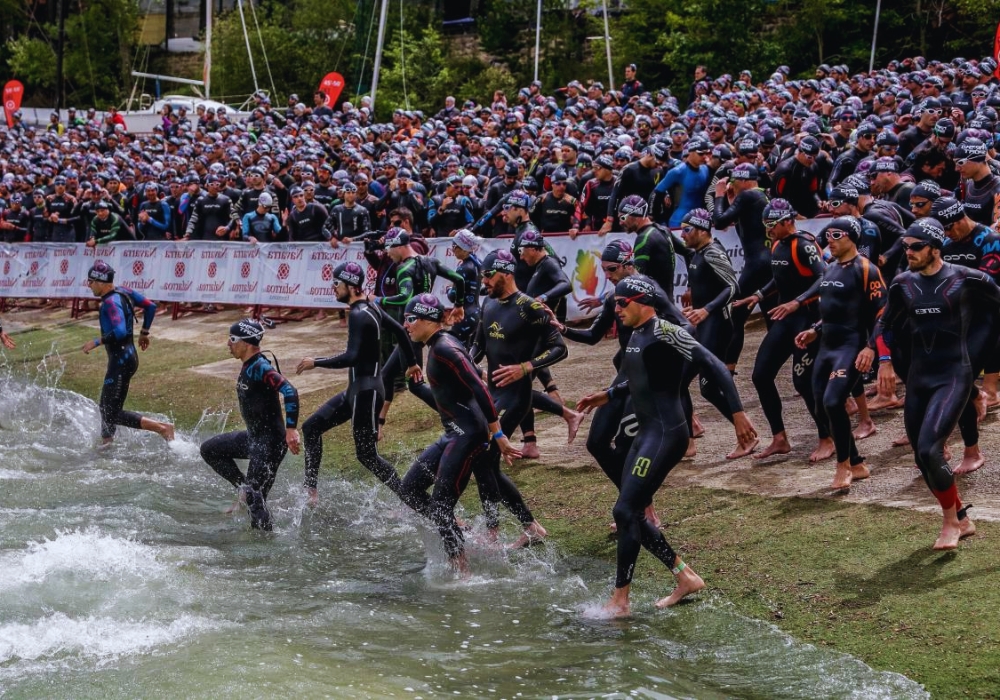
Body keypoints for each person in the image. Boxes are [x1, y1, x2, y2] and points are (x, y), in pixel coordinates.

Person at [577, 275, 755, 616]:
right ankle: (685, 577)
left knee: (625, 511)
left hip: (666, 435)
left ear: (643, 302)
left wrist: (738, 415)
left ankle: (620, 601)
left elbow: (714, 365)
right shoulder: (636, 335)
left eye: (621, 303)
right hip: (646, 433)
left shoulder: (667, 332)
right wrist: (610, 394)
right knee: (629, 511)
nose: (616, 309)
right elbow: (643, 376)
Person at [858, 218, 1000, 550]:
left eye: (916, 247)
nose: (908, 252)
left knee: (929, 449)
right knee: (922, 458)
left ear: (935, 248)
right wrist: (879, 354)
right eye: (905, 246)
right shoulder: (903, 283)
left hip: (954, 374)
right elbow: (886, 323)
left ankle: (951, 523)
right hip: (919, 377)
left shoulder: (965, 278)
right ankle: (961, 517)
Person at [399, 293, 521, 573]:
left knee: (441, 506)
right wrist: (417, 388)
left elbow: (479, 386)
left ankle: (461, 568)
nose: (406, 326)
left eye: (410, 319)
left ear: (428, 319)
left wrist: (498, 434)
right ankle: (456, 529)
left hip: (467, 435)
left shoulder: (445, 347)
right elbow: (454, 393)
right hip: (454, 432)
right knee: (409, 489)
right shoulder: (438, 345)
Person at [296, 262, 419, 505]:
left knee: (367, 456)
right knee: (311, 428)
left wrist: (316, 362)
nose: (333, 289)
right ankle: (310, 491)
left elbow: (351, 357)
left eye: (336, 284)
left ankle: (409, 498)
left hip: (367, 393)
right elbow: (401, 332)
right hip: (356, 391)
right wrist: (412, 363)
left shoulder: (358, 314)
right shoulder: (371, 306)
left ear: (351, 286)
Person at [470, 250, 561, 548]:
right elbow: (478, 345)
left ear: (506, 273)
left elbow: (559, 348)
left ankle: (508, 528)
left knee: (484, 460)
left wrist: (526, 367)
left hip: (517, 395)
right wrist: (465, 365)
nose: (484, 281)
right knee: (483, 461)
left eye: (488, 275)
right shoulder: (488, 303)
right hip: (492, 393)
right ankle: (510, 528)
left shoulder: (529, 306)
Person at [733, 199, 833, 461]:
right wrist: (758, 295)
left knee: (803, 382)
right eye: (765, 226)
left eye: (772, 226)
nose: (769, 231)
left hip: (807, 320)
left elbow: (824, 278)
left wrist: (797, 302)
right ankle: (780, 438)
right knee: (761, 375)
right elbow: (779, 279)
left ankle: (827, 437)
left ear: (788, 221)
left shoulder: (804, 245)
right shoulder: (778, 244)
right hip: (785, 320)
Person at [794, 216, 885, 490]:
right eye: (827, 235)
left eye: (835, 235)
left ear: (850, 237)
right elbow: (832, 310)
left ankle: (843, 466)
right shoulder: (831, 268)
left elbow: (882, 314)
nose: (828, 240)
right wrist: (815, 330)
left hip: (851, 346)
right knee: (819, 404)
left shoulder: (866, 269)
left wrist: (871, 348)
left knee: (834, 402)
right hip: (827, 346)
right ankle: (856, 463)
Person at [200, 318, 300, 530]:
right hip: (254, 438)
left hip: (270, 443)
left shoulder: (261, 367)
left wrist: (291, 429)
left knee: (257, 501)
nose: (228, 344)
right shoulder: (250, 365)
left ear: (246, 343)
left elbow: (290, 391)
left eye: (232, 339)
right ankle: (244, 489)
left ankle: (265, 550)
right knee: (210, 450)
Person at [80, 262, 174, 446]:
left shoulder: (110, 302)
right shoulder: (124, 291)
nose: (88, 285)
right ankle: (107, 443)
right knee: (108, 407)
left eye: (90, 281)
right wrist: (144, 332)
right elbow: (151, 306)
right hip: (127, 358)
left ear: (100, 282)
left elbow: (120, 332)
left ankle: (162, 428)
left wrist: (96, 342)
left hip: (121, 361)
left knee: (110, 411)